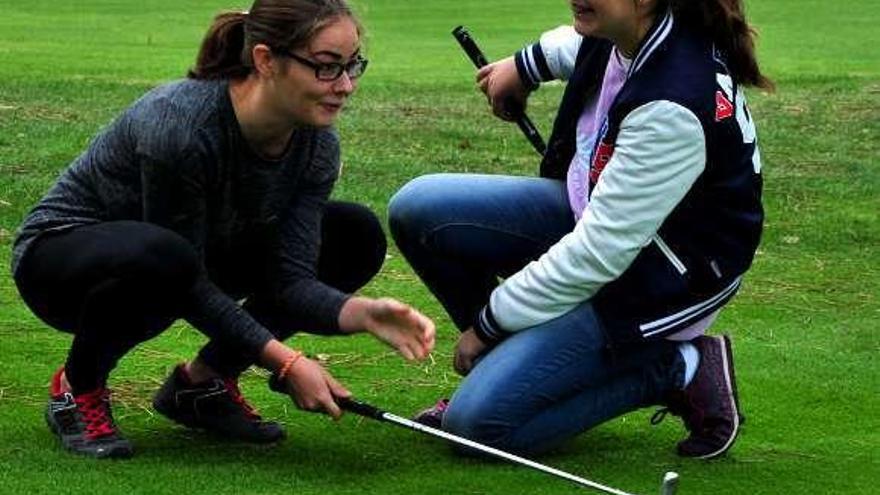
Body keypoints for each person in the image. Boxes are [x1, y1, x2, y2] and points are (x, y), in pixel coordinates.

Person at [11, 0, 435, 459]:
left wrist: (362, 313)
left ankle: (202, 385)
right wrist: (286, 362)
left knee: (353, 233)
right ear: (266, 60)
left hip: (184, 256)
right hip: (60, 264)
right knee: (164, 256)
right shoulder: (181, 125)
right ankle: (78, 387)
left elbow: (291, 280)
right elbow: (184, 280)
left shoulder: (316, 145)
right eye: (326, 67)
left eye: (353, 66)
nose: (346, 86)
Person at [389, 0, 770, 459]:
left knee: (474, 426)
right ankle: (516, 370)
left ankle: (679, 367)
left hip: (662, 277)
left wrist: (489, 323)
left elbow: (597, 256)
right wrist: (523, 67)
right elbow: (575, 46)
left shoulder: (670, 105)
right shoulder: (635, 34)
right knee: (419, 208)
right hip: (612, 227)